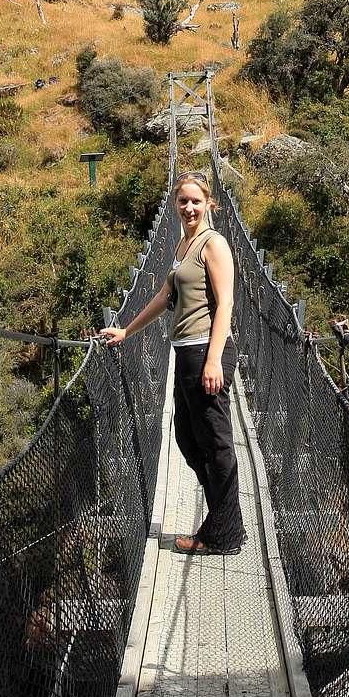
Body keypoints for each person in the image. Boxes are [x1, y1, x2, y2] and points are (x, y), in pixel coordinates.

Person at [99, 170, 245, 555]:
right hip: (184, 351)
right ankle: (224, 518)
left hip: (205, 352)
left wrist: (214, 359)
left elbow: (226, 302)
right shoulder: (183, 246)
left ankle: (225, 534)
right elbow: (164, 297)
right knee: (187, 438)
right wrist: (126, 331)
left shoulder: (213, 244)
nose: (189, 207)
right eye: (183, 201)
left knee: (215, 445)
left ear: (209, 203)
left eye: (196, 200)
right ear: (175, 205)